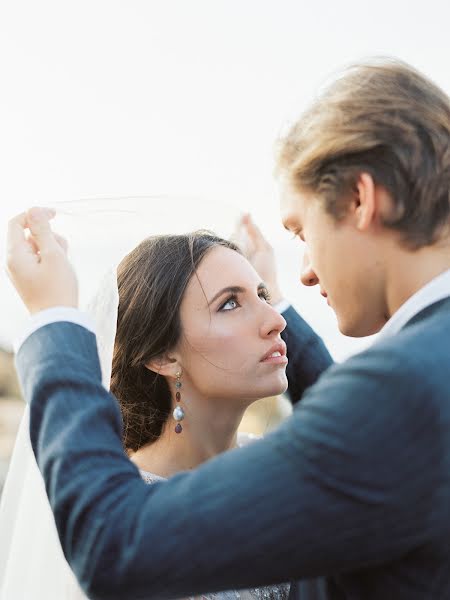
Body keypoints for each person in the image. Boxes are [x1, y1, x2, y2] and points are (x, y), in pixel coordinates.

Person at [6, 58, 450, 599]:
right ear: (161, 355)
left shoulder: (401, 394)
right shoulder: (421, 379)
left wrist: (55, 321)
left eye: (303, 230)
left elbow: (115, 545)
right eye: (232, 303)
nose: (305, 271)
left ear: (360, 200)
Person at [0, 223, 331, 599]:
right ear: (163, 356)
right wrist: (53, 317)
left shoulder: (285, 474)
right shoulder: (119, 512)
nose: (277, 320)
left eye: (263, 295)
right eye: (230, 303)